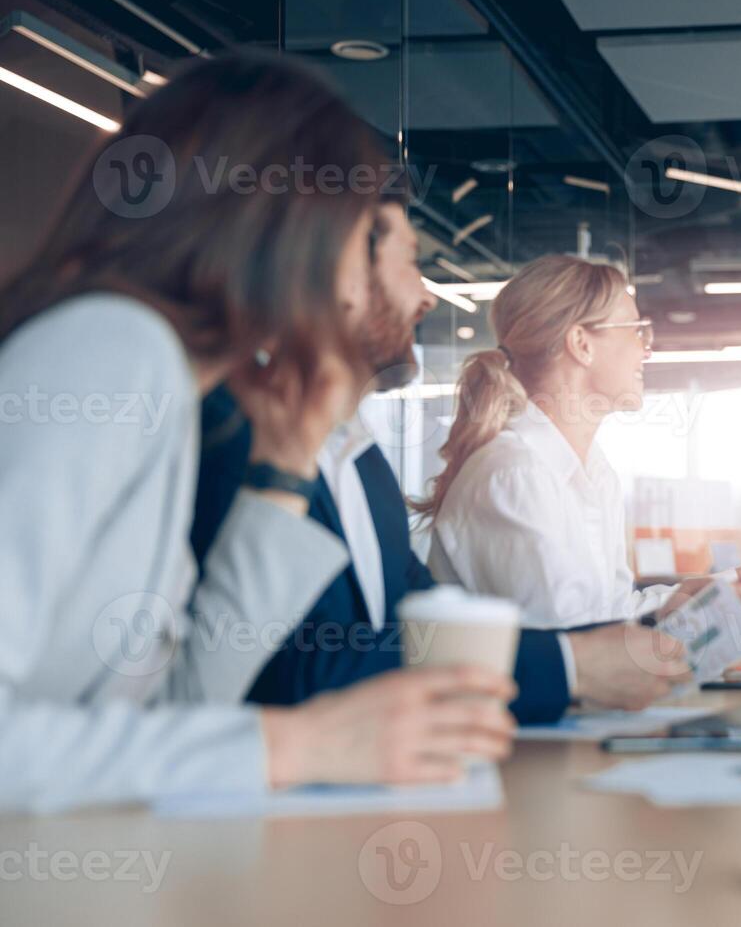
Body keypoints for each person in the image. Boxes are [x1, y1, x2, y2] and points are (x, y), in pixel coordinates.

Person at [0, 52, 514, 814]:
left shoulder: (167, 383)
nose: (364, 271)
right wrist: (295, 745)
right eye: (360, 229)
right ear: (287, 224)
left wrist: (281, 470)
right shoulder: (110, 349)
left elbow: (176, 718)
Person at [192, 201, 692, 719]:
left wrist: (690, 615)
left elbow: (424, 638)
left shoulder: (360, 461)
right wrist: (570, 665)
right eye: (409, 261)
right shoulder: (231, 438)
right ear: (340, 274)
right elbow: (286, 675)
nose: (427, 296)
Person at [412, 254, 741, 632]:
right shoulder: (515, 472)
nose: (647, 349)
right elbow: (575, 645)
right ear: (581, 344)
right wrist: (714, 644)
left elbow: (615, 613)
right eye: (636, 330)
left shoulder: (593, 473)